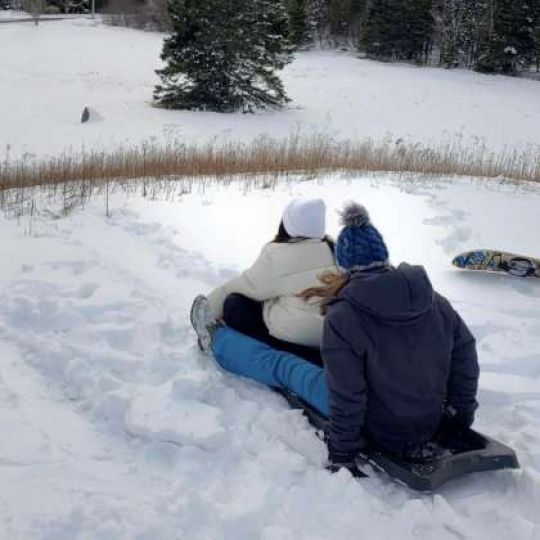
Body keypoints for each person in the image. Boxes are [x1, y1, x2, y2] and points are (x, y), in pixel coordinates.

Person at [191, 202, 479, 477]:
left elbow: (347, 393)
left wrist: (342, 453)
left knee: (282, 365)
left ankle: (218, 340)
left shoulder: (346, 314)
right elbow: (464, 353)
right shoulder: (434, 300)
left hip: (377, 425)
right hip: (430, 416)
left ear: (342, 265)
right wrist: (458, 415)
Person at [201, 197, 336, 365]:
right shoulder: (334, 248)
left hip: (297, 336)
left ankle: (295, 358)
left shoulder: (278, 255)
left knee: (234, 304)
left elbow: (244, 286)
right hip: (332, 335)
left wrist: (205, 311)